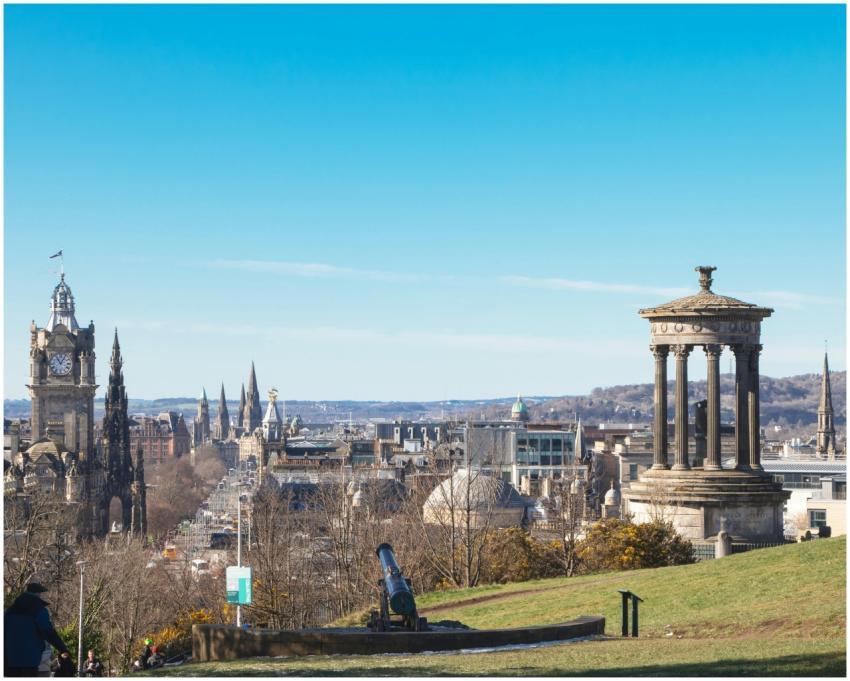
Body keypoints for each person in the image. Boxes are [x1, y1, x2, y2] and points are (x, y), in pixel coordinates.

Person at [4, 582, 72, 677]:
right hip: (29, 658)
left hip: (9, 660)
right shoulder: (38, 610)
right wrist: (62, 649)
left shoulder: (10, 611)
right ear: (38, 594)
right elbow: (48, 632)